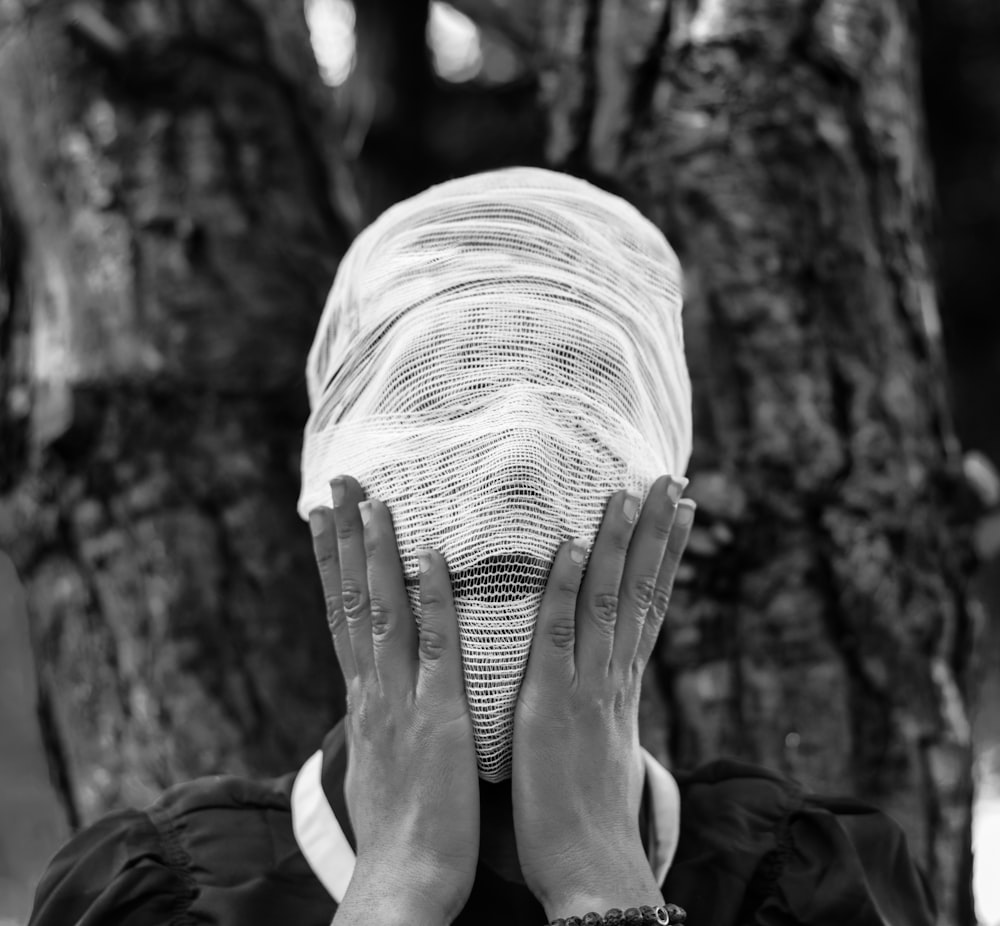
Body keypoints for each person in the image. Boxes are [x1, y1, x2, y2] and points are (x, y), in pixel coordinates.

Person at [24, 168, 937, 926]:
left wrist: (599, 881)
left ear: (670, 504)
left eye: (575, 395)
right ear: (325, 493)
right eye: (443, 396)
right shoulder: (152, 900)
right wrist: (399, 888)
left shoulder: (816, 888)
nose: (509, 461)